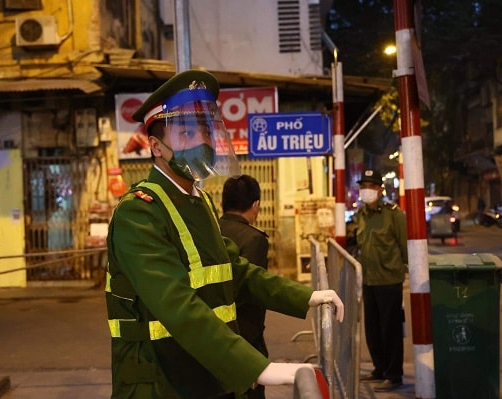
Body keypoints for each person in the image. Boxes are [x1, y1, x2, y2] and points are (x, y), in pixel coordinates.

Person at [105, 69, 344, 399]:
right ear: (155, 146)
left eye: (204, 131)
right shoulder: (139, 211)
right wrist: (255, 367)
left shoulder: (197, 200)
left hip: (204, 373)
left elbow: (235, 270)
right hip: (159, 380)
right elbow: (176, 304)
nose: (200, 141)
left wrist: (306, 297)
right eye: (186, 133)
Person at [352, 169, 408, 392]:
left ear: (380, 190)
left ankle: (394, 375)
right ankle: (379, 368)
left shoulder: (394, 214)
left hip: (389, 280)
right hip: (369, 280)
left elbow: (405, 246)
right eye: (363, 186)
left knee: (390, 330)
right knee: (373, 329)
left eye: (370, 186)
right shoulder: (362, 215)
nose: (366, 190)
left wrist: (406, 271)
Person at [219, 174, 269, 399]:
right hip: (245, 340)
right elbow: (253, 291)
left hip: (210, 336)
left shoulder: (209, 231)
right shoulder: (254, 239)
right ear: (255, 205)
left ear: (223, 204)